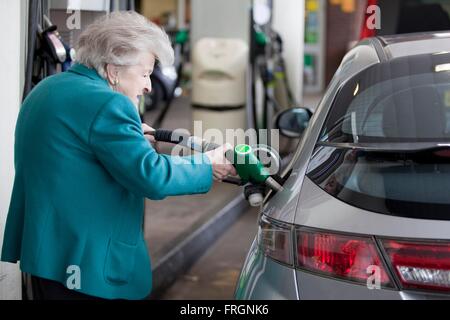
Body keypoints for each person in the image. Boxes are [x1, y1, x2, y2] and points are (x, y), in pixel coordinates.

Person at [1, 11, 236, 300]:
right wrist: (207, 164)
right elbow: (152, 176)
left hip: (47, 258)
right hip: (89, 268)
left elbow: (79, 152)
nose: (149, 85)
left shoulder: (50, 88)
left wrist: (131, 137)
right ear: (113, 70)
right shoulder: (108, 104)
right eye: (145, 72)